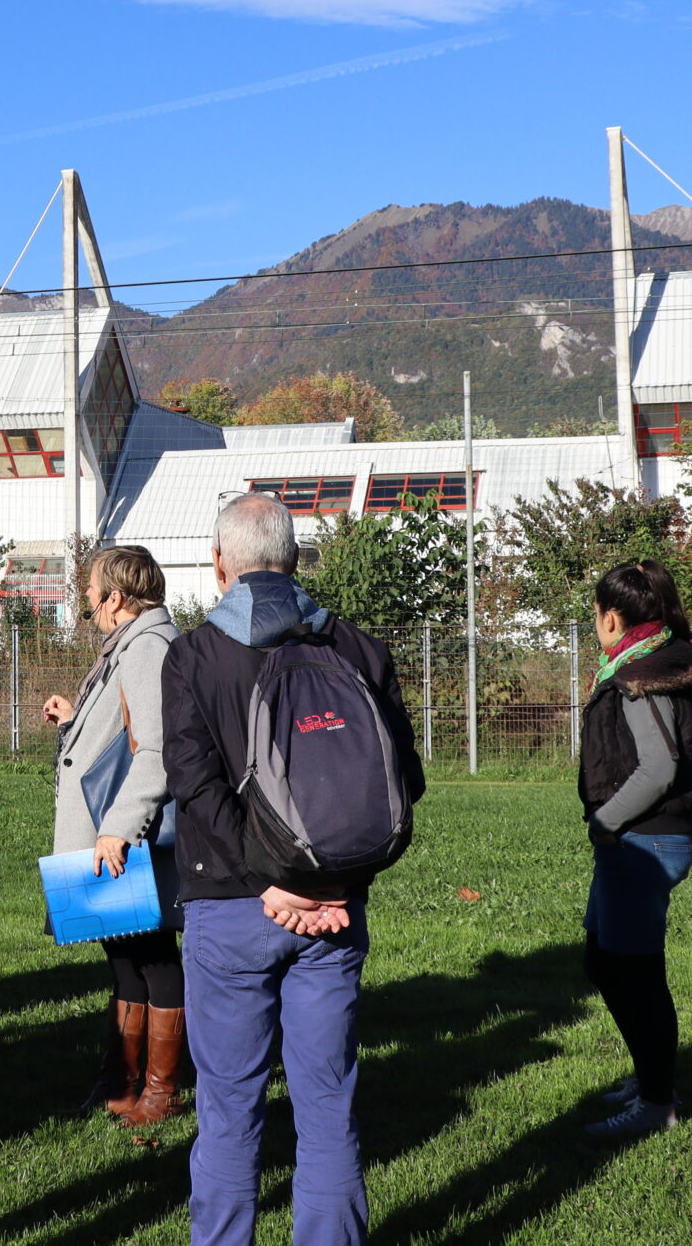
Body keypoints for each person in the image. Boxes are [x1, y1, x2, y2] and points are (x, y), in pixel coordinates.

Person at [162, 493, 424, 1246]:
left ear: (220, 565)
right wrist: (328, 880)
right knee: (327, 1102)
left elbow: (195, 786)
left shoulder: (194, 655)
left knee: (230, 1108)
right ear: (296, 559)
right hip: (337, 906)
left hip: (231, 905)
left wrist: (269, 879)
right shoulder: (359, 646)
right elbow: (401, 780)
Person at [40, 543, 183, 1123]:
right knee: (124, 955)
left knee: (152, 956)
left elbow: (157, 749)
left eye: (91, 599)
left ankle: (160, 1090)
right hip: (114, 832)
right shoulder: (131, 643)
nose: (90, 609)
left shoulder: (148, 648)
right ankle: (121, 1079)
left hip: (127, 837)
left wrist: (119, 830)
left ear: (116, 599)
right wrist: (78, 721)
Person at [575, 558, 692, 1140]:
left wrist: (604, 822)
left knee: (636, 976)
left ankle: (657, 1103)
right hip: (639, 837)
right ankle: (649, 1075)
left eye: (595, 614)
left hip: (644, 837)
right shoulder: (653, 660)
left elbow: (659, 769)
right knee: (605, 961)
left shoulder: (643, 674)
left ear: (611, 617)